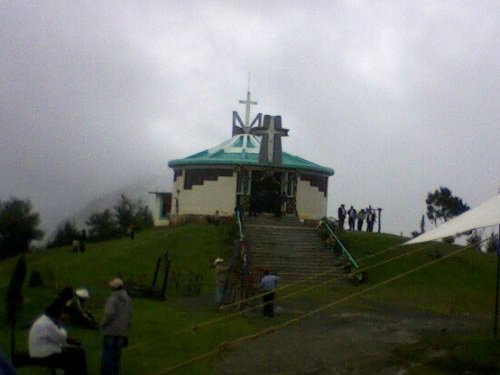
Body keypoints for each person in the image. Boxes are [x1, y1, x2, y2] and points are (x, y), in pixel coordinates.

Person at [28, 297, 88, 374]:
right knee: (78, 354)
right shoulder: (48, 324)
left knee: (74, 353)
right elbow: (62, 338)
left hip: (39, 352)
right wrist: (61, 327)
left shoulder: (44, 320)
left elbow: (57, 339)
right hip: (43, 355)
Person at [100, 278, 132, 375]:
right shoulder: (128, 299)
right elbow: (130, 314)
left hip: (110, 331)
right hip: (121, 331)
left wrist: (102, 324)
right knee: (117, 355)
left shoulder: (113, 299)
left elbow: (109, 314)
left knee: (107, 354)